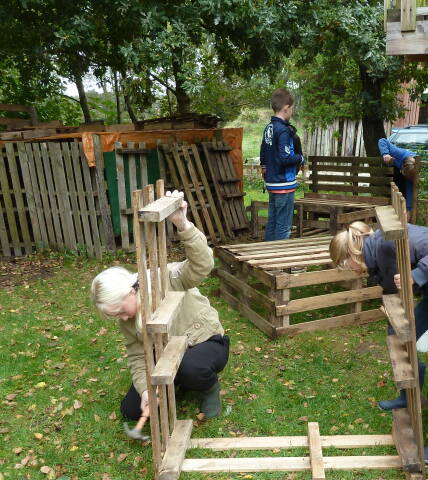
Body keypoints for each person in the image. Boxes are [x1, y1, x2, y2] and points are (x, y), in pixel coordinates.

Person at [329, 221, 428, 464]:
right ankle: (411, 396)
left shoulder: (390, 242)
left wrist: (417, 275)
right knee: (399, 334)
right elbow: (392, 282)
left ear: (352, 253)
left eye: (344, 264)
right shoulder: (378, 254)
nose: (348, 270)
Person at [91, 201, 229, 426]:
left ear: (130, 292)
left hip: (202, 342)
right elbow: (137, 356)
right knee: (131, 410)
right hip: (167, 356)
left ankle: (209, 388)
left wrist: (183, 225)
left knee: (191, 368)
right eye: (115, 315)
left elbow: (203, 265)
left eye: (121, 311)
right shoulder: (126, 318)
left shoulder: (166, 278)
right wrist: (145, 391)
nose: (122, 318)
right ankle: (175, 383)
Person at [260, 88, 305, 241]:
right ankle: (280, 255)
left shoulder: (269, 127)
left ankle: (268, 253)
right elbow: (285, 158)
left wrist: (264, 168)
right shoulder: (283, 130)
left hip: (272, 183)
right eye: (292, 108)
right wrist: (300, 158)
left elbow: (263, 152)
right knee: (284, 226)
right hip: (283, 184)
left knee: (272, 222)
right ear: (286, 108)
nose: (292, 111)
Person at [378, 138, 418, 212]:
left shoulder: (413, 171)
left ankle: (406, 209)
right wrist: (385, 154)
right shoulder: (398, 153)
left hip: (405, 173)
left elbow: (409, 190)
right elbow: (382, 140)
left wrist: (408, 209)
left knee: (407, 191)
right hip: (394, 172)